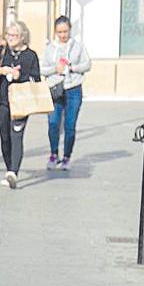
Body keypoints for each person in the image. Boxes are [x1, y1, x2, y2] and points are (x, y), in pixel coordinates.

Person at [0, 22, 41, 189]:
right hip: (1, 101)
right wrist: (0, 71)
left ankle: (13, 172)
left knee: (16, 136)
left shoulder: (30, 56)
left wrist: (19, 75)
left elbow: (36, 79)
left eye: (14, 35)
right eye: (8, 35)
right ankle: (9, 168)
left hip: (21, 103)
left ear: (22, 37)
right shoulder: (1, 52)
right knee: (5, 137)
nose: (10, 38)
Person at [41, 16, 93, 171]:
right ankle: (53, 153)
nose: (62, 35)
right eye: (59, 32)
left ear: (70, 30)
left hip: (73, 88)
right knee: (53, 123)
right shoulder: (51, 48)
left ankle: (67, 157)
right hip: (55, 88)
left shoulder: (78, 46)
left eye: (65, 31)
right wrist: (54, 69)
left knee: (70, 125)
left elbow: (87, 64)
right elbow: (42, 68)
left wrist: (72, 67)